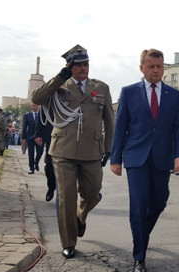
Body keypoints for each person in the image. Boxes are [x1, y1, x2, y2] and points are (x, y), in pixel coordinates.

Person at [31, 44, 115, 259]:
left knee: (93, 191)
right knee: (66, 198)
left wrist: (108, 148)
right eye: (78, 65)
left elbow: (109, 119)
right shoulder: (60, 86)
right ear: (69, 67)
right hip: (63, 151)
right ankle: (68, 242)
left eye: (85, 64)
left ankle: (82, 213)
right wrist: (61, 76)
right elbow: (37, 99)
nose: (83, 68)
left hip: (92, 151)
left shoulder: (101, 88)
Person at [111, 48, 179, 272]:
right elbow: (121, 127)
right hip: (136, 157)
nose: (156, 71)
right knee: (138, 204)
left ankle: (142, 235)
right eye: (151, 66)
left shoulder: (174, 96)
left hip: (162, 157)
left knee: (159, 201)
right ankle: (139, 257)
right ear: (142, 67)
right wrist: (116, 159)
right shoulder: (129, 92)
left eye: (160, 66)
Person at [34, 109, 56, 202]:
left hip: (69, 137)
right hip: (50, 137)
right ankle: (51, 187)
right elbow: (41, 116)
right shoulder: (48, 100)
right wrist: (38, 134)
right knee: (49, 166)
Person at [22, 103, 44, 174]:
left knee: (40, 152)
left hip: (40, 137)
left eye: (34, 105)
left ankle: (36, 162)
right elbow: (24, 127)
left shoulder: (42, 115)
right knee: (31, 153)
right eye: (32, 105)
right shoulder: (27, 115)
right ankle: (31, 168)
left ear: (38, 106)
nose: (33, 107)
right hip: (30, 137)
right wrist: (24, 138)